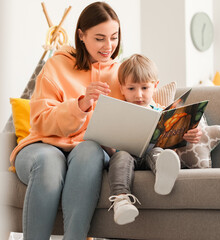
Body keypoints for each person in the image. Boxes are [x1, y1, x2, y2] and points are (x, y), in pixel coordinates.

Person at [9, 2, 124, 240]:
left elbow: (143, 109)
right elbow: (40, 122)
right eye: (100, 38)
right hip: (42, 145)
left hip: (87, 149)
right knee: (49, 162)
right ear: (81, 35)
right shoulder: (57, 65)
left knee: (90, 149)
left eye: (114, 37)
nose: (109, 46)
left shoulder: (122, 73)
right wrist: (81, 105)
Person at [107, 54, 202, 225]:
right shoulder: (118, 111)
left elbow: (173, 138)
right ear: (122, 88)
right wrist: (106, 141)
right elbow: (111, 147)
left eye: (144, 88)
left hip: (152, 153)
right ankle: (121, 202)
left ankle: (164, 176)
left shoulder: (162, 111)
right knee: (120, 157)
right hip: (126, 155)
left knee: (159, 152)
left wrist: (189, 135)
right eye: (131, 89)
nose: (139, 95)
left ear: (155, 86)